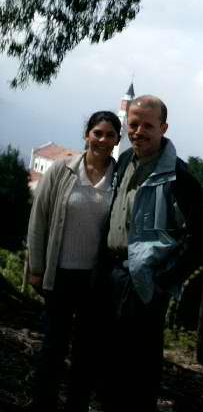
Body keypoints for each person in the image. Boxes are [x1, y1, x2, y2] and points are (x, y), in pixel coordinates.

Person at [101, 95, 203, 412]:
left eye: (148, 126)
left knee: (139, 372)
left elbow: (201, 241)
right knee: (108, 367)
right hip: (113, 278)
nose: (139, 132)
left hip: (146, 286)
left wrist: (162, 280)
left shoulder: (180, 176)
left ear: (164, 128)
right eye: (134, 125)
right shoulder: (125, 161)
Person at [27, 110, 121, 412]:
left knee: (86, 355)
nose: (102, 140)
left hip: (95, 282)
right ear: (87, 135)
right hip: (60, 274)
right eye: (97, 133)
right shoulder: (61, 171)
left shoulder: (120, 180)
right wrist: (36, 268)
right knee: (52, 349)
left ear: (117, 140)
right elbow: (39, 219)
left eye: (109, 135)